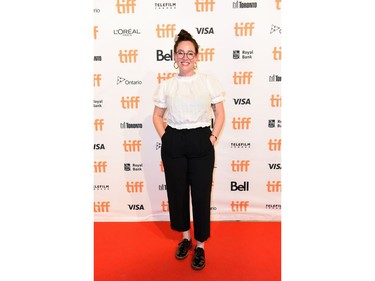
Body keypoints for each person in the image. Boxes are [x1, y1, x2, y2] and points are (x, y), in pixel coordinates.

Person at [152, 29, 225, 270]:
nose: (185, 57)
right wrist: (166, 137)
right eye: (180, 52)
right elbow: (157, 115)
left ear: (196, 57)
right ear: (174, 56)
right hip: (174, 140)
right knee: (177, 192)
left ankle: (200, 244)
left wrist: (212, 137)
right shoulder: (166, 85)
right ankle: (185, 239)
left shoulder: (207, 81)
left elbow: (220, 113)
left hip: (201, 140)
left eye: (190, 53)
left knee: (202, 194)